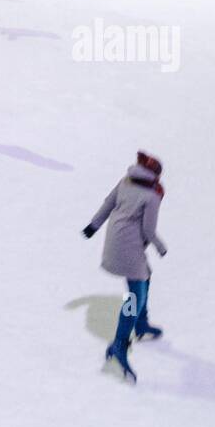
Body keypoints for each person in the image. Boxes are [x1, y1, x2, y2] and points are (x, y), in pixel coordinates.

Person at [82, 151, 167, 382]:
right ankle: (119, 344)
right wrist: (160, 247)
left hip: (114, 239)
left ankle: (141, 324)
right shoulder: (152, 195)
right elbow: (148, 231)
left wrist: (93, 226)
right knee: (134, 296)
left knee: (145, 276)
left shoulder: (126, 180)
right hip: (129, 248)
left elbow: (108, 203)